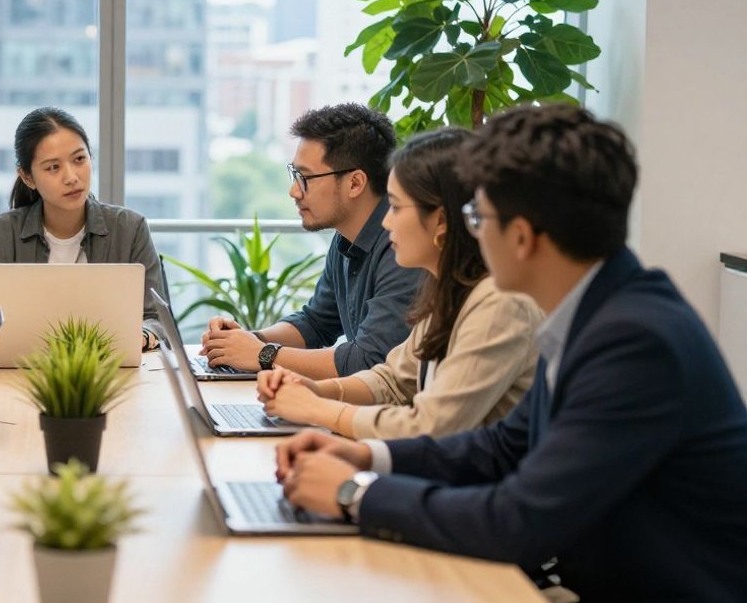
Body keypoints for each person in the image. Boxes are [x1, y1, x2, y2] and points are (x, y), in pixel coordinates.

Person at [276, 106, 747, 601]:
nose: (470, 233)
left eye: (478, 217)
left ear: (522, 237)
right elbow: (502, 446)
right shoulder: (596, 310)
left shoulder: (635, 342)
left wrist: (355, 493)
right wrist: (364, 453)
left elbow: (517, 519)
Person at [255, 128, 541, 439]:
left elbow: (430, 426)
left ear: (442, 221)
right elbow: (392, 379)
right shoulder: (452, 291)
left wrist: (315, 408)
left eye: (395, 207)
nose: (386, 221)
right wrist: (316, 390)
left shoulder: (500, 305)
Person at [201, 103, 423, 379]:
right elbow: (316, 323)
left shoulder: (404, 246)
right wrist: (245, 340)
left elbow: (371, 361)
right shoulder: (345, 237)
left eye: (306, 177)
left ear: (355, 183)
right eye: (295, 175)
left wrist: (262, 354)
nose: (294, 191)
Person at [0, 107, 166, 349]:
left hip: (110, 373)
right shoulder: (0, 234)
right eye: (53, 167)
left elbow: (157, 319)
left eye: (79, 159)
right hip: (21, 373)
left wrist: (142, 337)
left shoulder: (130, 229)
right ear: (27, 177)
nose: (72, 177)